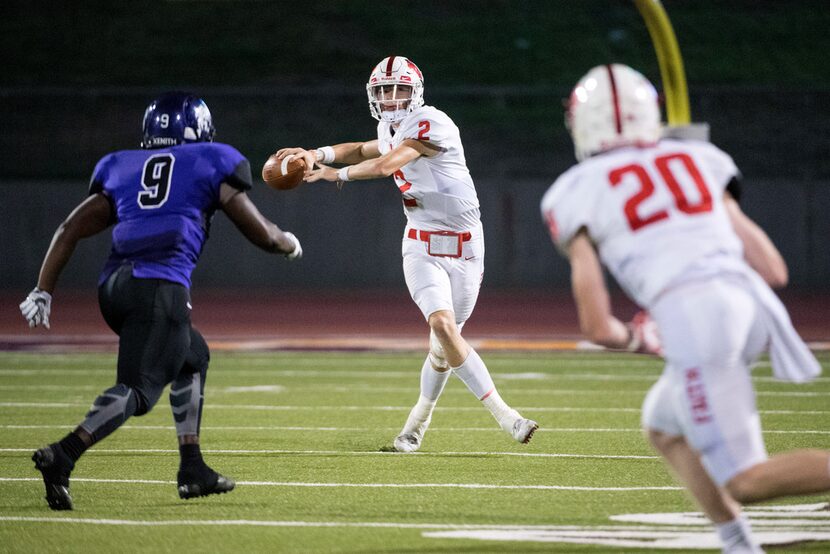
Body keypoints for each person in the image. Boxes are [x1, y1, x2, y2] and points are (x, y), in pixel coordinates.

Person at [541, 64, 828, 553]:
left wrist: (640, 338)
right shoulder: (698, 156)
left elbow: (596, 325)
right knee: (664, 425)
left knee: (745, 480)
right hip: (750, 304)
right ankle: (739, 545)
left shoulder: (573, 189)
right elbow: (773, 269)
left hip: (696, 314)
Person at [20, 91, 302, 510]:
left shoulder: (121, 167)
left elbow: (69, 228)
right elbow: (260, 232)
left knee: (193, 356)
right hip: (159, 288)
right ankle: (63, 454)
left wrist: (43, 289)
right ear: (199, 130)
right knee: (139, 390)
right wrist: (287, 243)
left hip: (114, 289)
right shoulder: (211, 160)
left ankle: (193, 469)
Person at [276, 56, 537, 452]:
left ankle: (415, 426)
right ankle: (507, 416)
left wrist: (336, 175)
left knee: (443, 348)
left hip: (465, 246)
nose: (391, 98)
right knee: (444, 328)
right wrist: (318, 154)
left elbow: (383, 165)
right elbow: (361, 148)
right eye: (383, 90)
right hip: (420, 241)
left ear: (415, 91)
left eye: (398, 88)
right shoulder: (390, 125)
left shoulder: (434, 122)